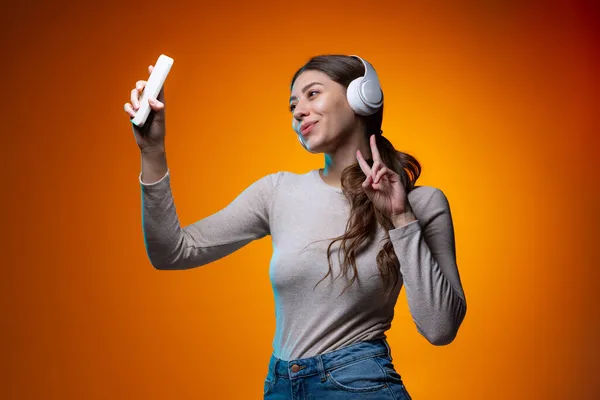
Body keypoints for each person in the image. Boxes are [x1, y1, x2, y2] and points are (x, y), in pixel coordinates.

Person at [123, 54, 467, 399]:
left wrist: (401, 218)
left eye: (312, 94)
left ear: (362, 96)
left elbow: (440, 328)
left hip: (358, 384)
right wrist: (152, 151)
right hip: (281, 385)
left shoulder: (421, 203)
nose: (298, 111)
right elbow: (172, 252)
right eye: (292, 105)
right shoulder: (278, 192)